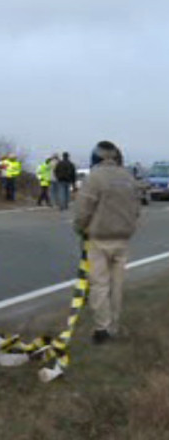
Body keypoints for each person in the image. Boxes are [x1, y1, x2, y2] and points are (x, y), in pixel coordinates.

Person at [73, 141, 140, 344]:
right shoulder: (128, 178)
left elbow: (83, 210)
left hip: (99, 238)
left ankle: (102, 328)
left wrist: (80, 229)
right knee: (117, 285)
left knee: (100, 284)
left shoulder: (94, 178)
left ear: (96, 157)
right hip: (123, 238)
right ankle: (114, 326)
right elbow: (136, 209)